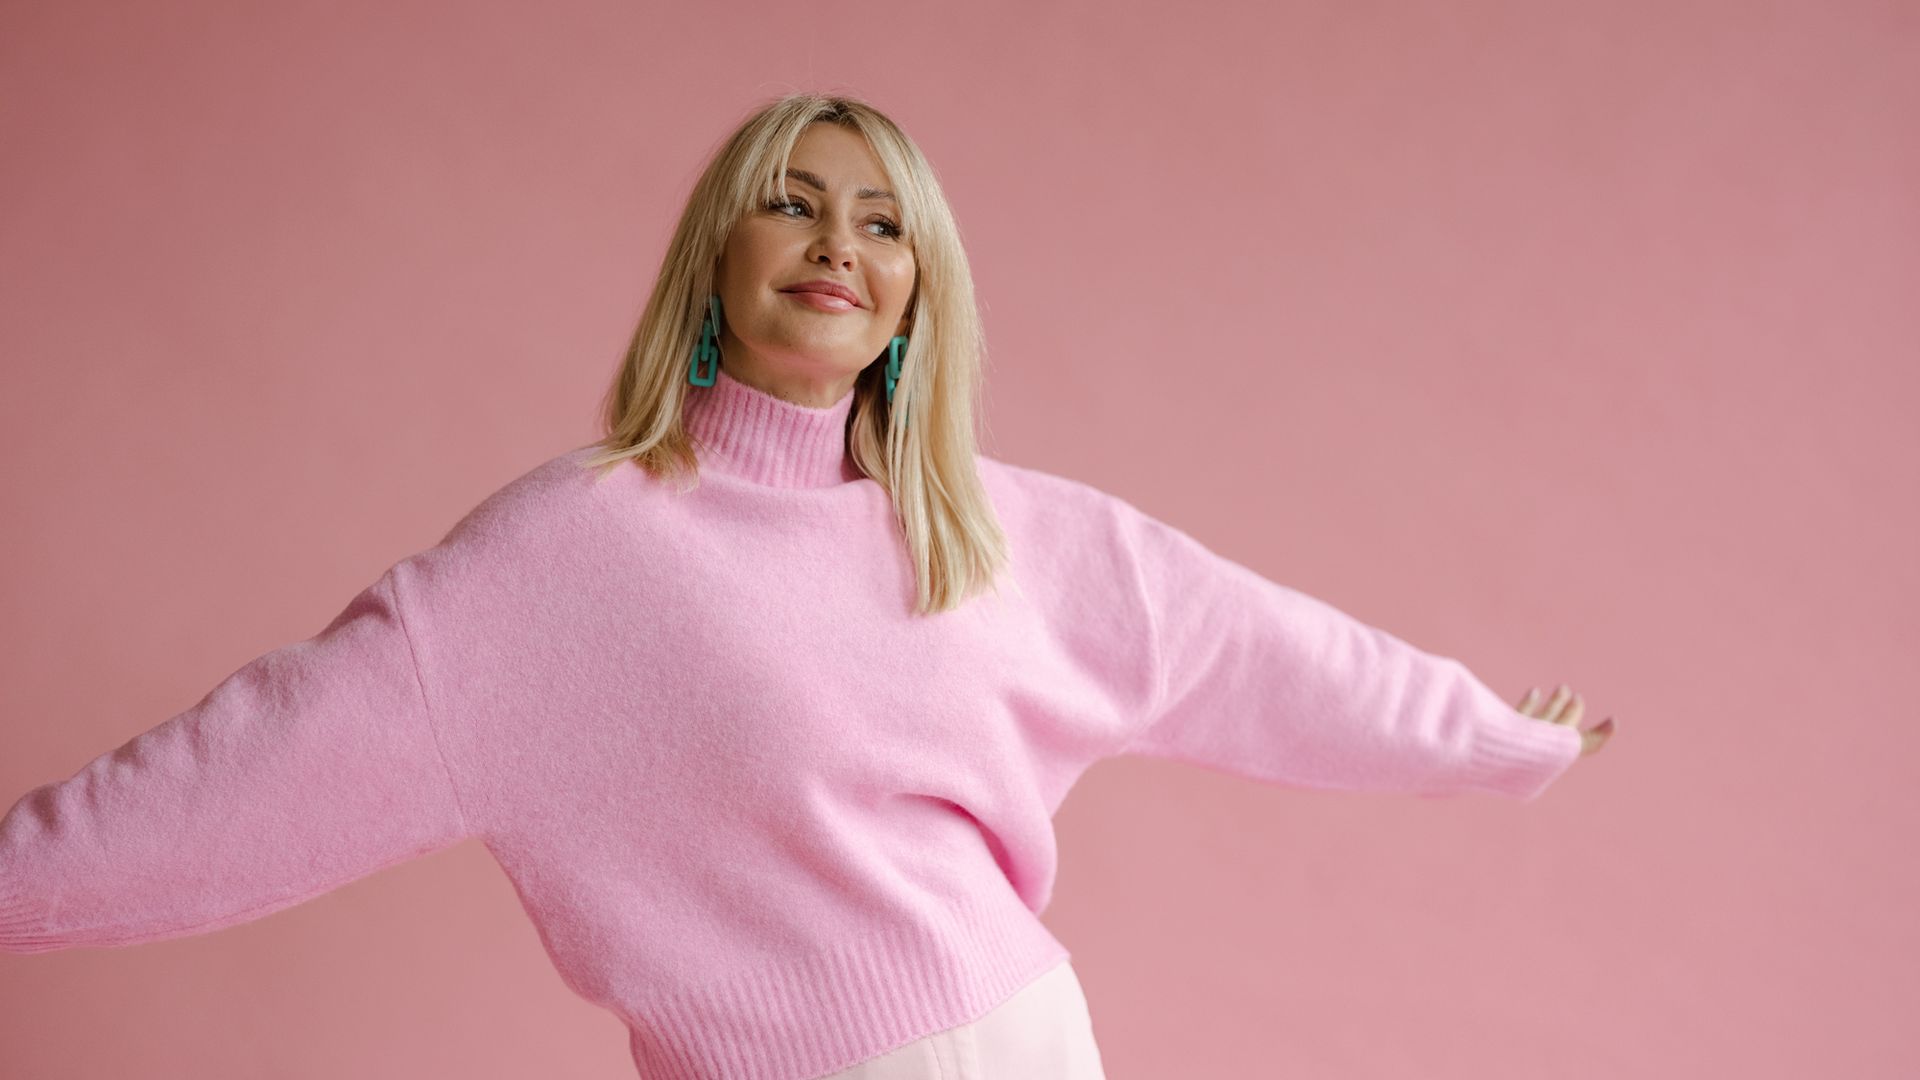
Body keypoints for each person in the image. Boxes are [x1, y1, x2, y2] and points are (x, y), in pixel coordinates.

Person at [0, 92, 1615, 1080]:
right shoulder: (565, 559)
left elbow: (1248, 650)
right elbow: (250, 774)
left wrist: (1484, 731)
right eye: (792, 198)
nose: (839, 240)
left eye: (883, 221)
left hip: (1023, 1050)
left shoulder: (986, 534)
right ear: (716, 253)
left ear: (917, 296)